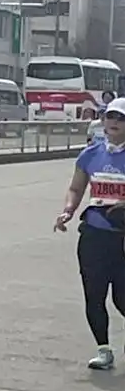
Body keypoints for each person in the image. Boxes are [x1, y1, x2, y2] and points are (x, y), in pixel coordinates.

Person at [54, 97, 125, 370]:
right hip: (95, 233)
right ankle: (104, 350)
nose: (113, 122)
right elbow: (76, 188)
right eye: (109, 117)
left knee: (121, 298)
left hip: (123, 236)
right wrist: (68, 211)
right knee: (94, 295)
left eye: (120, 118)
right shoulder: (91, 154)